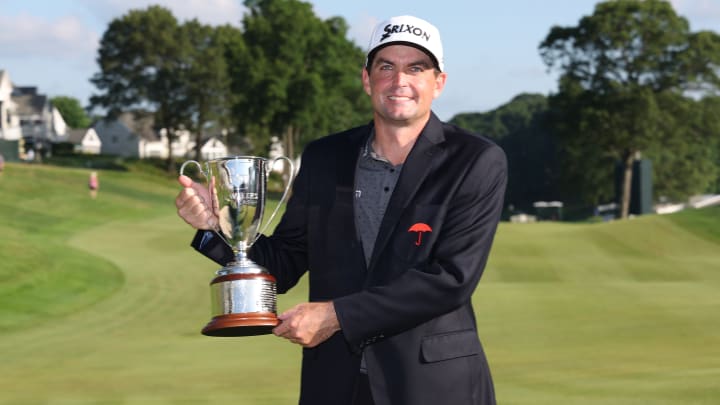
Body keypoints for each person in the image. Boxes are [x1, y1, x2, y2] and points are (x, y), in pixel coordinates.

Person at [176, 15, 506, 405]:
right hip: (334, 383)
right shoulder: (324, 157)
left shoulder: (475, 159)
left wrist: (336, 316)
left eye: (416, 68)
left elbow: (451, 278)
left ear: (439, 83)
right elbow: (283, 264)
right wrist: (218, 225)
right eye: (387, 67)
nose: (400, 81)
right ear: (367, 79)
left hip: (432, 385)